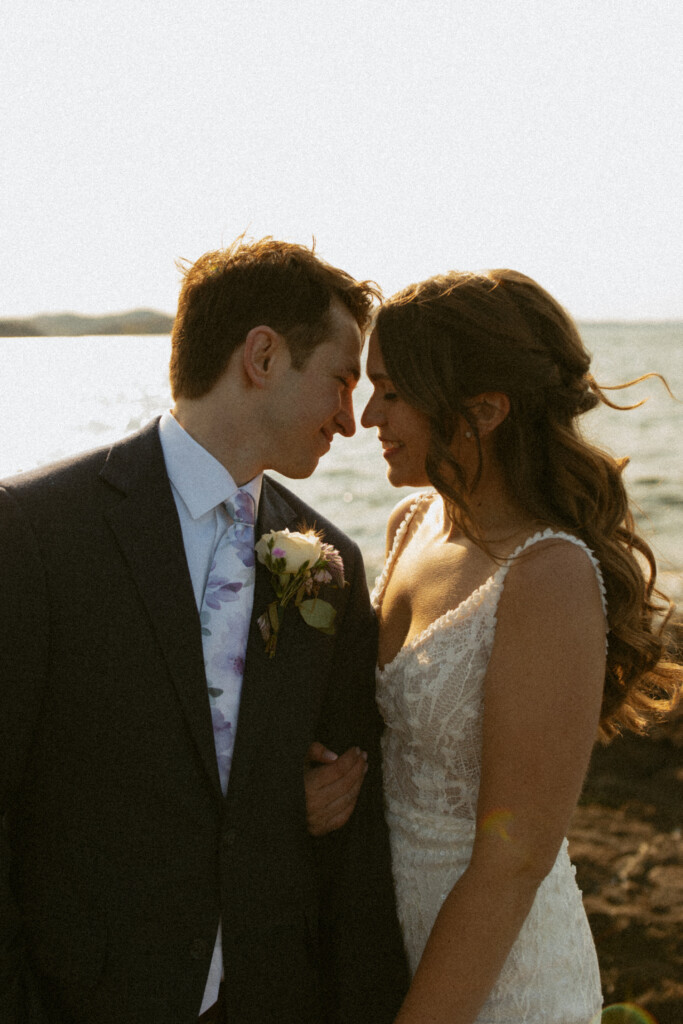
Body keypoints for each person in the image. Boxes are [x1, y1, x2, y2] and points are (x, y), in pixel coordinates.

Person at [0, 237, 409, 1024]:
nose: (350, 421)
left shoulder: (331, 561)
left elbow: (350, 822)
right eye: (340, 379)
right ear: (261, 355)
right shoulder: (35, 532)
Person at [305, 269, 681, 1023]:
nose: (366, 414)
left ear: (481, 411)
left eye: (393, 392)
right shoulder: (411, 525)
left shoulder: (546, 576)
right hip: (385, 942)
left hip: (500, 979)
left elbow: (512, 860)